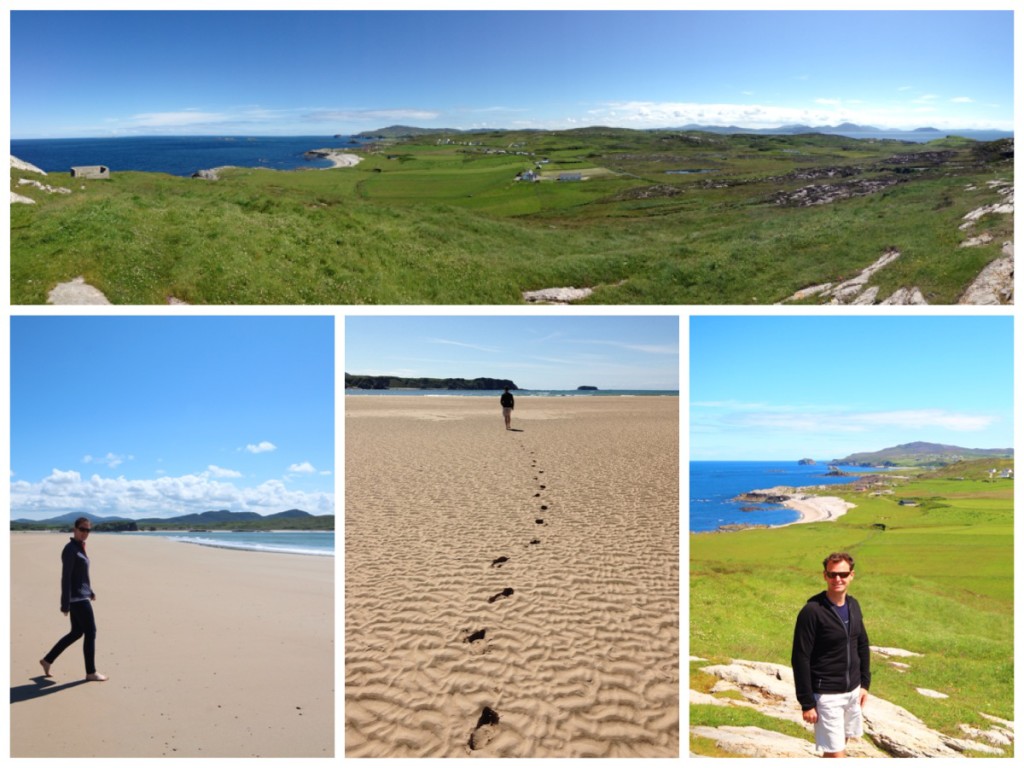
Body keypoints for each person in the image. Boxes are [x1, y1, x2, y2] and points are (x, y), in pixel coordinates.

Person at [791, 552, 869, 757]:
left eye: (843, 574)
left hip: (852, 692)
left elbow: (861, 644)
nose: (838, 579)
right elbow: (800, 658)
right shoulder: (812, 611)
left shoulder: (853, 605)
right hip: (827, 695)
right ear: (825, 576)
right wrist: (807, 703)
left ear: (852, 575)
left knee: (838, 747)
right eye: (832, 574)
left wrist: (864, 684)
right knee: (836, 755)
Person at [40, 517, 108, 681]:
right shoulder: (70, 549)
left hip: (82, 595)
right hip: (76, 599)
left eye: (88, 530)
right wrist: (64, 604)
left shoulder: (79, 547)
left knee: (77, 632)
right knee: (90, 632)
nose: (85, 533)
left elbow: (81, 575)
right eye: (82, 529)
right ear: (75, 529)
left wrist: (90, 591)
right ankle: (91, 672)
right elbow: (66, 577)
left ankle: (47, 660)